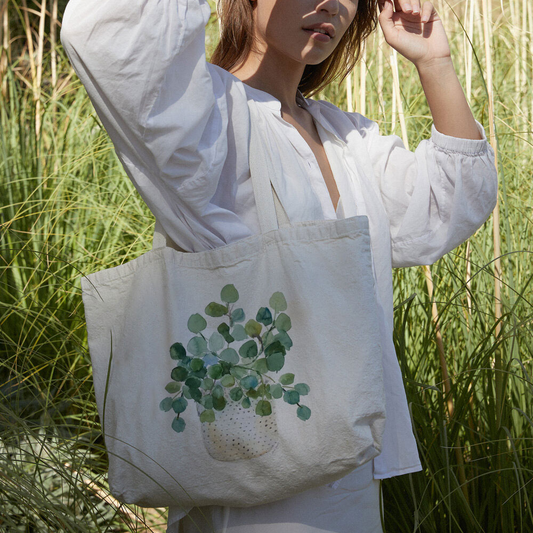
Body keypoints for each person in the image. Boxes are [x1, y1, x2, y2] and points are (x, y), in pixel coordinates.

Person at [60, 0, 498, 531]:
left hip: (347, 459)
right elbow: (108, 36)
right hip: (251, 466)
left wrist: (434, 60)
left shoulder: (345, 138)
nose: (329, 4)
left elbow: (450, 205)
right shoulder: (211, 121)